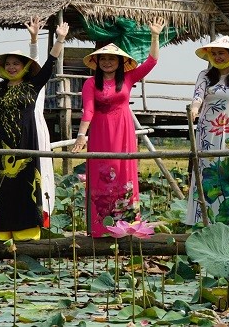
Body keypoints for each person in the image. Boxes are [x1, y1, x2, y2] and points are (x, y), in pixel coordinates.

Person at [0, 21, 69, 241]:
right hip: (2, 143)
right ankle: (1, 233)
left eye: (16, 63)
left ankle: (28, 233)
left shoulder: (33, 85)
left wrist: (59, 39)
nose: (12, 67)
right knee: (2, 187)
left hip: (28, 141)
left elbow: (50, 62)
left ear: (24, 66)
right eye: (8, 63)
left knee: (27, 186)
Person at [71, 18, 166, 237]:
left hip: (123, 132)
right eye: (103, 58)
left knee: (123, 172)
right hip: (100, 133)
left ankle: (126, 225)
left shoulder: (129, 78)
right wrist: (81, 136)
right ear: (97, 62)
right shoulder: (90, 83)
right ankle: (100, 226)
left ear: (120, 61)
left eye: (112, 58)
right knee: (102, 173)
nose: (107, 62)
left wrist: (154, 36)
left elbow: (151, 62)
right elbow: (88, 111)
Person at [185, 15, 229, 234]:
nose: (217, 56)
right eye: (214, 53)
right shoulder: (205, 75)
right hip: (206, 130)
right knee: (205, 171)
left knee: (227, 170)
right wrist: (195, 109)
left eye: (221, 53)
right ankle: (203, 220)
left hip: (228, 130)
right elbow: (197, 96)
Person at [24, 16, 56, 226]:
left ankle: (42, 217)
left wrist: (34, 39)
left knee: (41, 170)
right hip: (19, 131)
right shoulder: (10, 87)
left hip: (37, 128)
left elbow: (37, 63)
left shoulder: (37, 83)